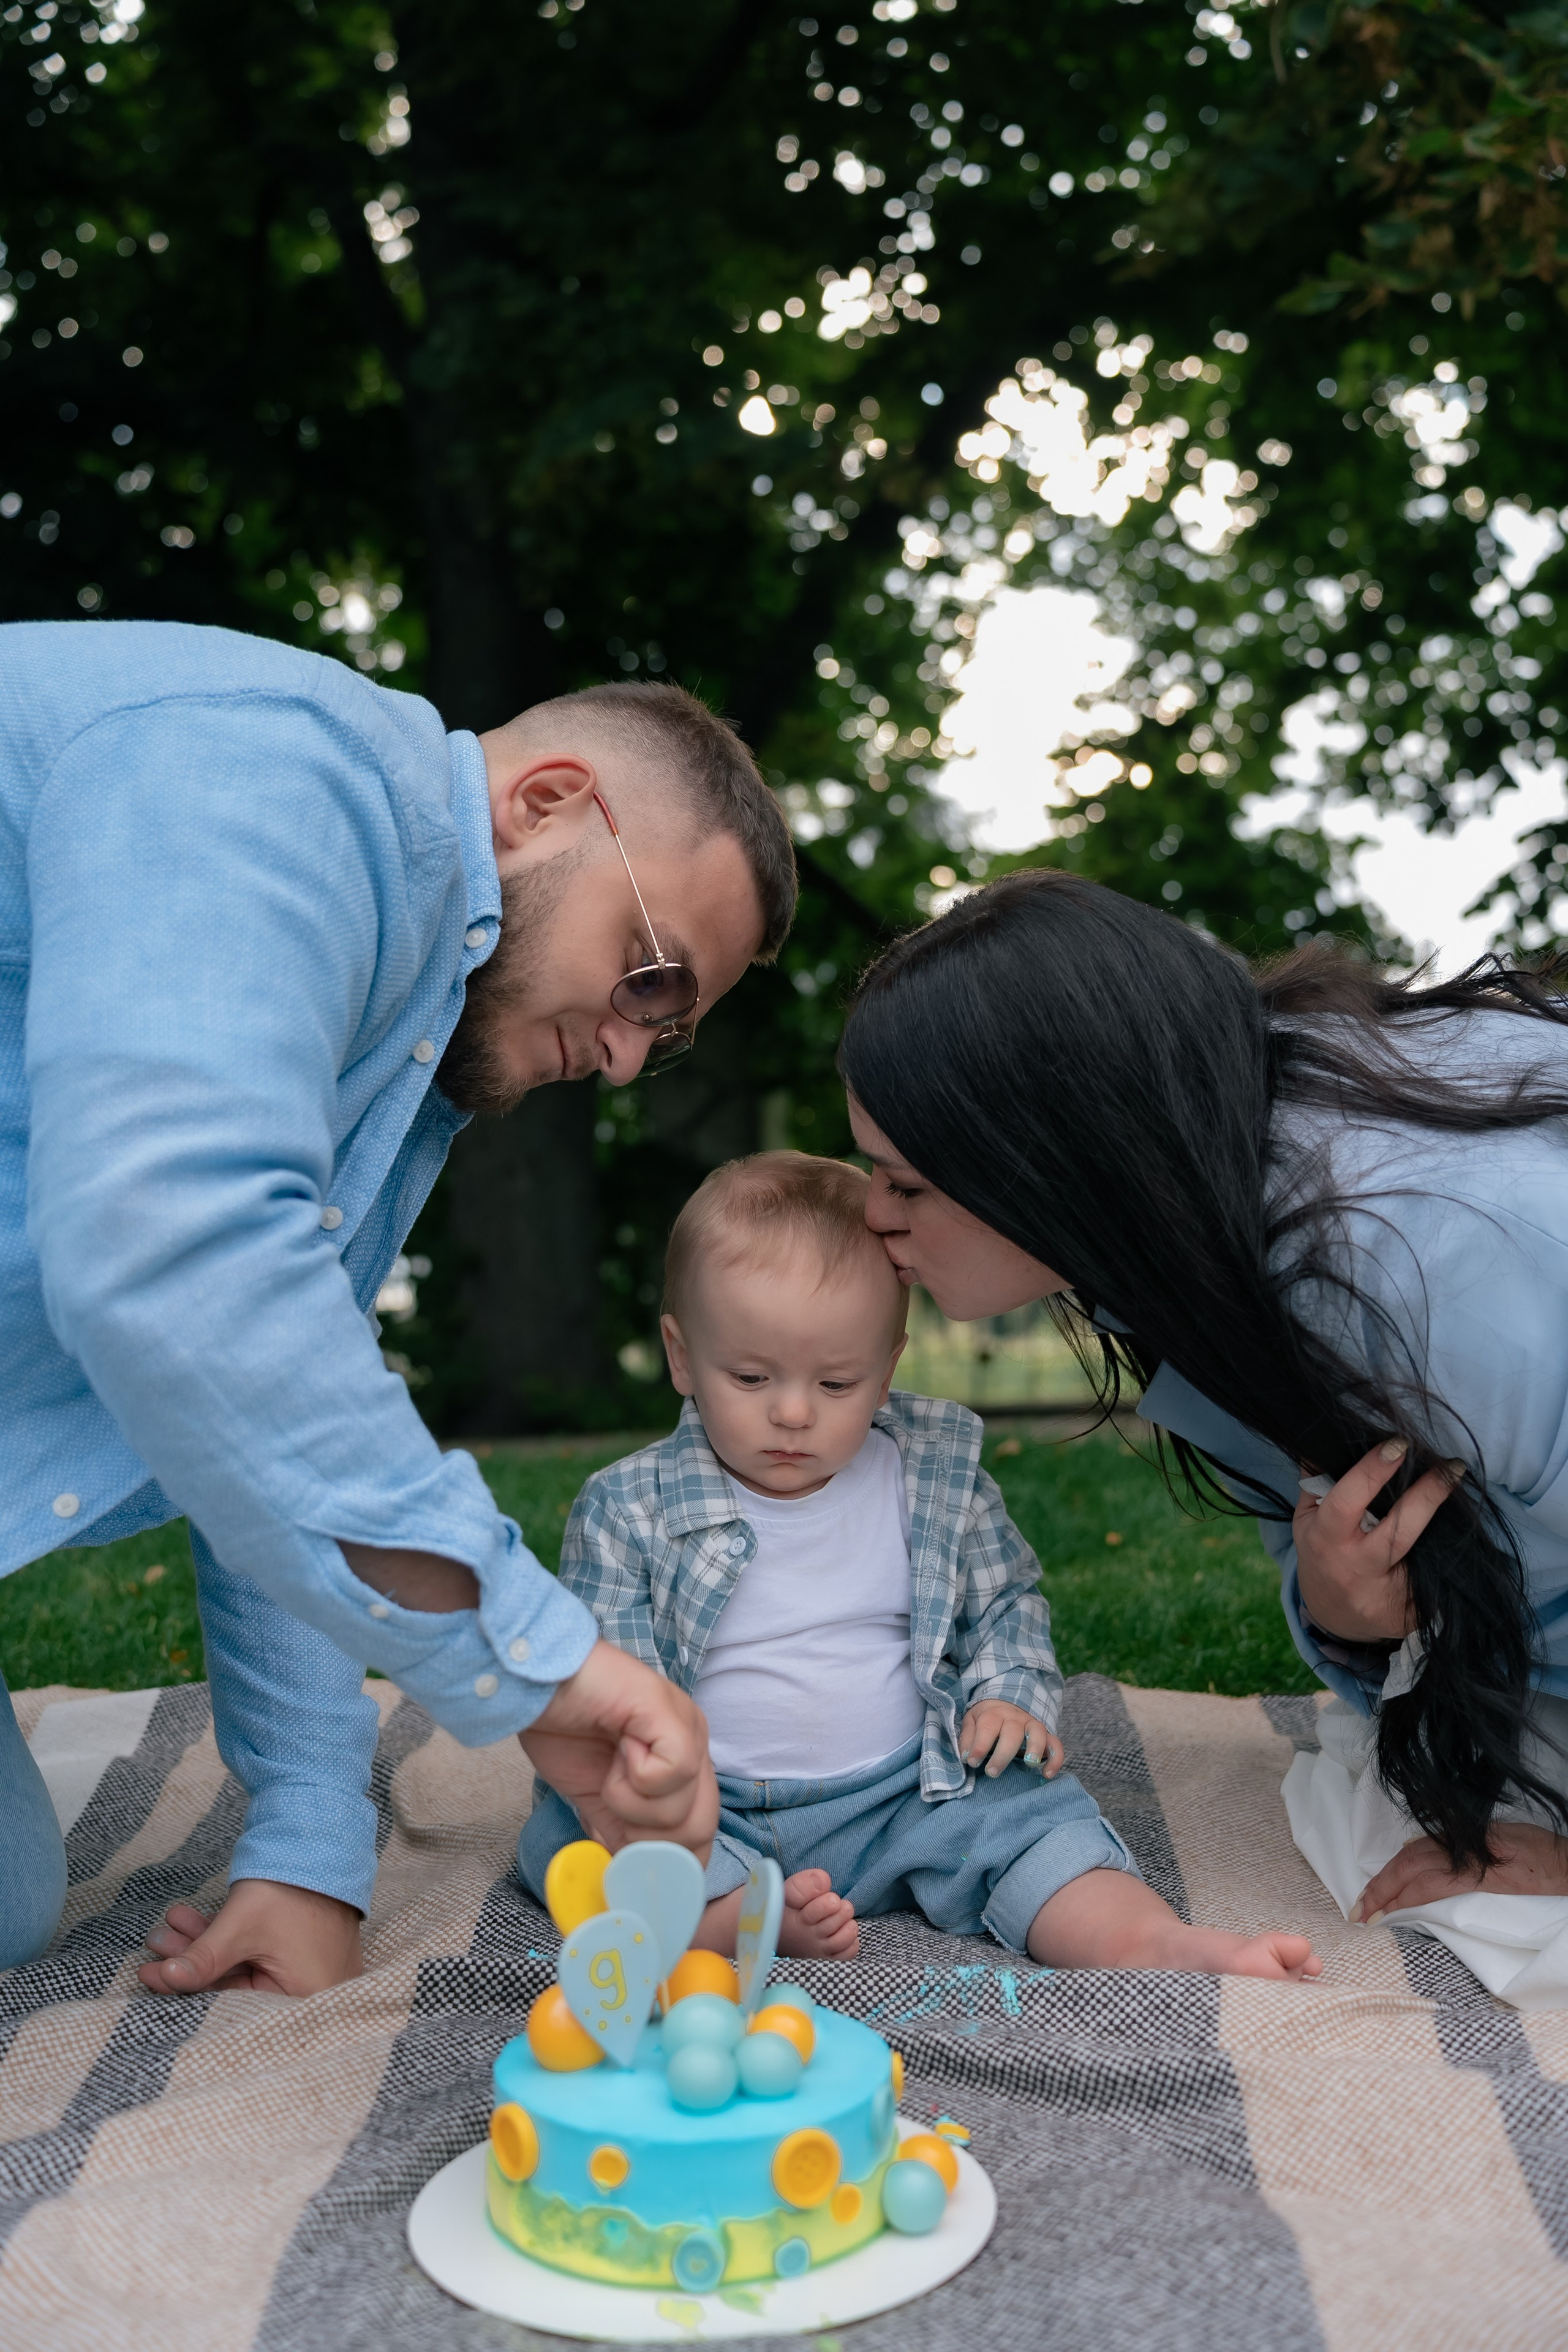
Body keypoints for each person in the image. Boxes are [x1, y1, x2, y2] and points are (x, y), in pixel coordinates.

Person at [0, 622, 797, 1988]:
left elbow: (265, 1405)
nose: (618, 1059)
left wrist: (307, 1846)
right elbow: (177, 1256)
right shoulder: (265, 770)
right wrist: (542, 1663)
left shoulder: (404, 1020)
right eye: (646, 974)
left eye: (661, 1042)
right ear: (547, 802)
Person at [837, 866, 1568, 1927]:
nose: (874, 1218)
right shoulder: (1191, 1213)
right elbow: (1313, 1523)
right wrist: (1351, 1614)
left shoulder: (1440, 1267)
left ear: (1052, 1161)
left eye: (906, 1183)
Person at [520, 1151, 1323, 1979]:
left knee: (1029, 1814)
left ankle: (1149, 1942)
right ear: (682, 1358)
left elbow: (1005, 1600)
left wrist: (1009, 1694)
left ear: (888, 1369)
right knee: (576, 1837)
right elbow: (607, 1681)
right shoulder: (628, 1509)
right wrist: (655, 1799)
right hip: (704, 1810)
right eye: (751, 1376)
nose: (792, 1412)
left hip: (908, 1790)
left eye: (837, 1383)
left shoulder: (930, 1479)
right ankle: (731, 1915)